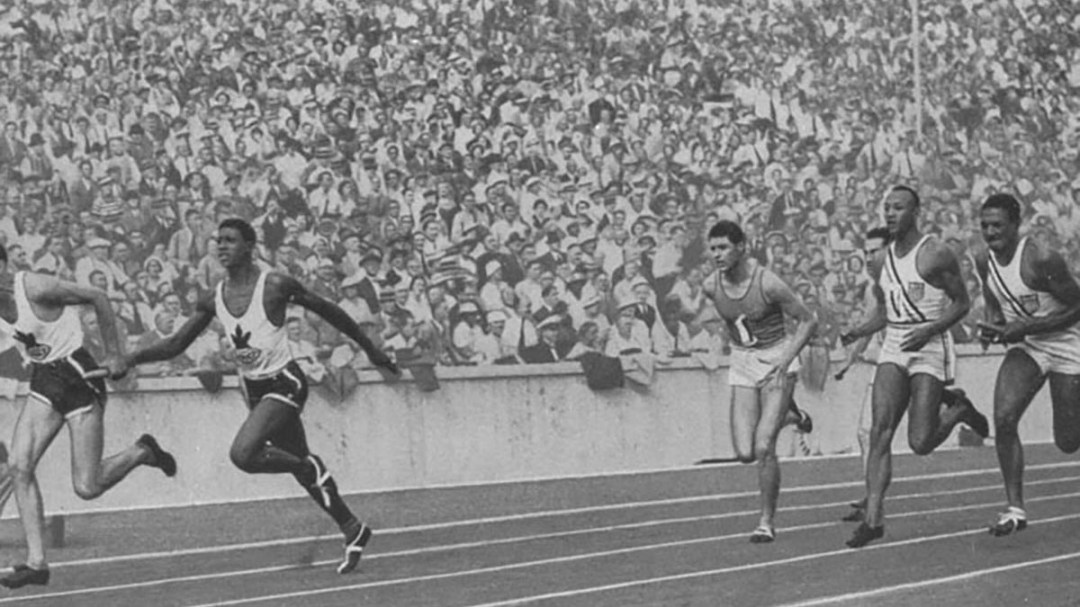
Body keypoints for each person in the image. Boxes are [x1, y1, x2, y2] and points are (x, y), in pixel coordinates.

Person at [114, 218, 400, 574]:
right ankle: (353, 528)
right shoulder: (214, 297)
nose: (221, 246)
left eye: (230, 240)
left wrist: (371, 350)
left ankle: (309, 469)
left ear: (249, 246)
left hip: (285, 384)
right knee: (299, 465)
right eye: (218, 240)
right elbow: (175, 344)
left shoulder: (274, 285)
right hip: (255, 390)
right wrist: (130, 359)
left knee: (244, 454)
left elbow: (331, 312)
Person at [0, 246, 176, 589]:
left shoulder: (33, 287)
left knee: (87, 486)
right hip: (44, 381)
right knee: (20, 466)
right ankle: (37, 563)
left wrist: (114, 353)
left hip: (78, 376)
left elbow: (97, 296)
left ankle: (142, 451)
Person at [840, 185, 988, 548]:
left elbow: (962, 302)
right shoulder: (881, 260)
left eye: (899, 208)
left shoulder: (935, 253)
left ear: (915, 211)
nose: (890, 214)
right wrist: (858, 330)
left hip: (929, 346)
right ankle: (874, 518)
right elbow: (886, 311)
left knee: (920, 442)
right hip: (895, 344)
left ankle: (957, 409)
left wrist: (931, 330)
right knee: (879, 431)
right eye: (886, 207)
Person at [702, 220, 818, 543]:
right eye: (712, 248)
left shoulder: (768, 283)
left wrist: (786, 358)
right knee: (744, 452)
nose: (717, 254)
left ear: (742, 247)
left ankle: (766, 521)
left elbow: (809, 320)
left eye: (723, 247)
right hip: (743, 363)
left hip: (777, 361)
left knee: (764, 446)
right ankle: (791, 416)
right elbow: (733, 321)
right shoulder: (711, 286)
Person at [974, 193, 1080, 536]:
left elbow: (1078, 308)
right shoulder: (983, 260)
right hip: (1029, 346)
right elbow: (994, 298)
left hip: (1067, 345)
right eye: (985, 226)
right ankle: (1015, 509)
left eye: (998, 226)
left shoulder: (1041, 258)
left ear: (1016, 226)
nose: (991, 233)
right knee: (1003, 417)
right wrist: (991, 325)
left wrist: (1026, 327)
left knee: (1067, 441)